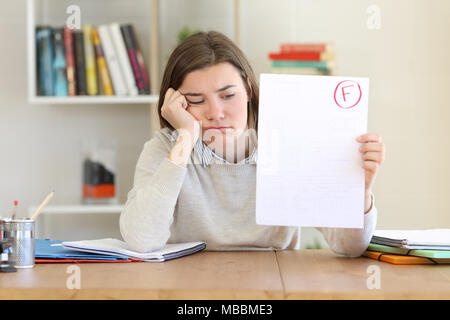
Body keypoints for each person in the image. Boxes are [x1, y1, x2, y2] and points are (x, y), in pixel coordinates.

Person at [119, 31, 385, 257]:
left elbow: (350, 247)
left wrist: (359, 192)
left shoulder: (289, 144)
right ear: (175, 103)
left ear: (247, 88)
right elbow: (142, 239)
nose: (216, 113)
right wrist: (185, 138)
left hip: (275, 286)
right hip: (188, 287)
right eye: (196, 100)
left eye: (228, 95)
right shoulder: (166, 150)